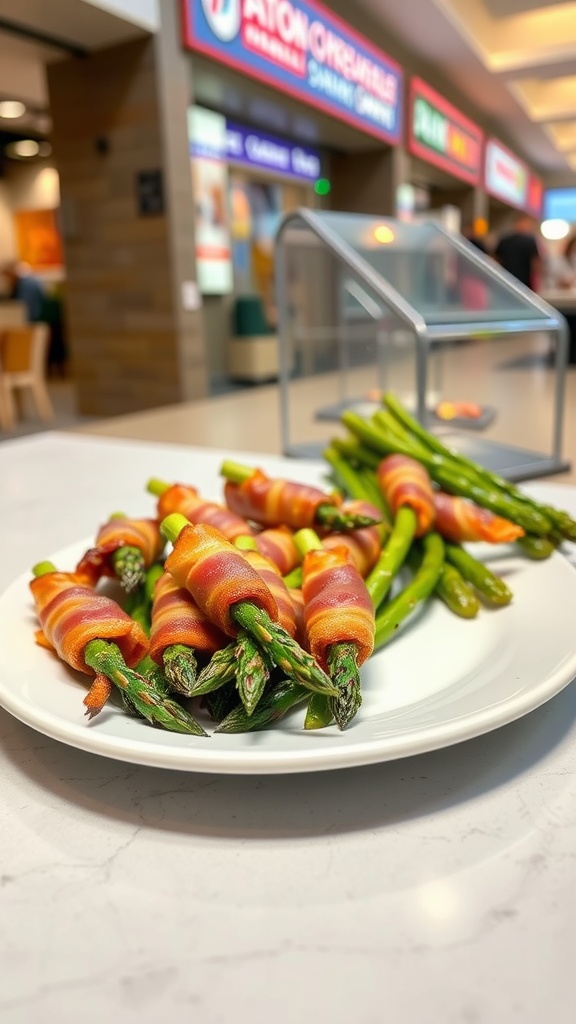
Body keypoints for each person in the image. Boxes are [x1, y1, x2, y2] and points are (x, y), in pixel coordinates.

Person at [493, 214, 542, 290]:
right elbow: (535, 262)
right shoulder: (530, 241)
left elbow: (496, 259)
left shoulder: (505, 239)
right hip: (523, 280)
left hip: (506, 278)